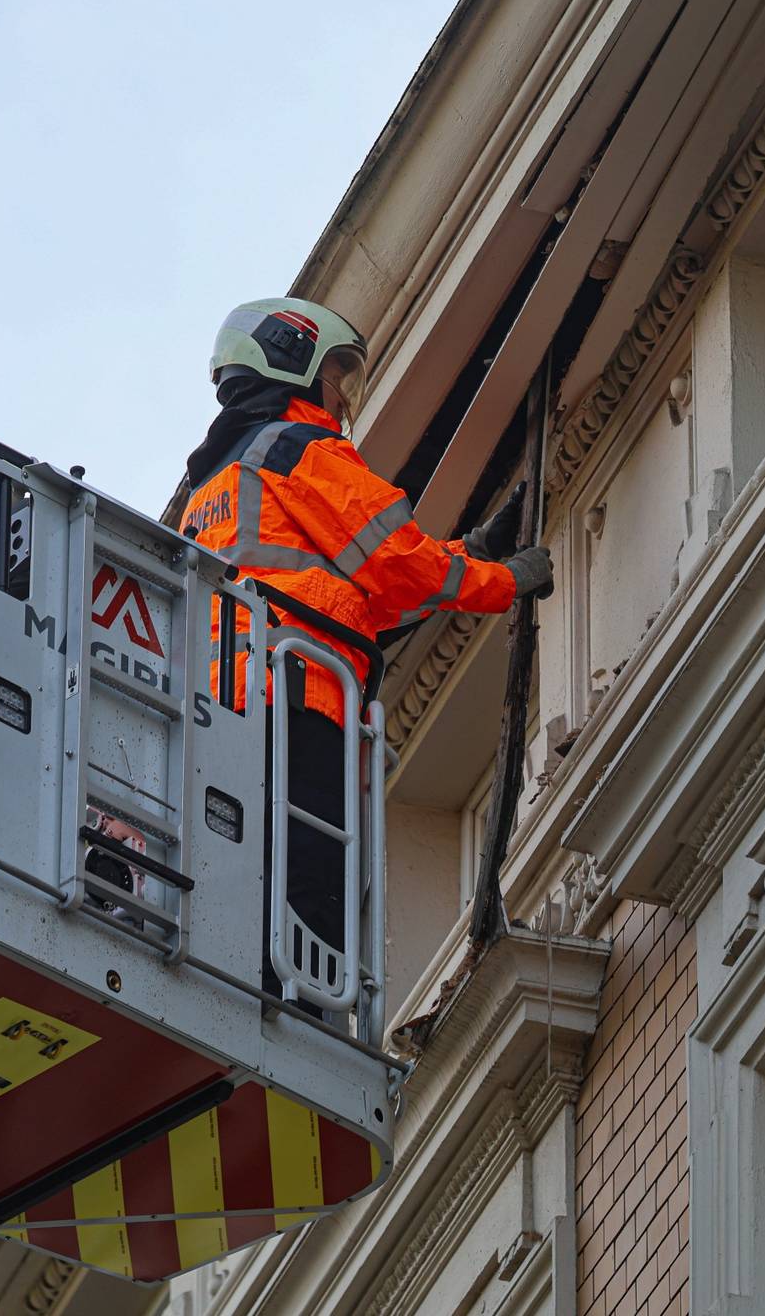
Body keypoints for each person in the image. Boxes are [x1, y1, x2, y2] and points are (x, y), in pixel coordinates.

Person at [179, 297, 553, 1005]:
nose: (341, 393)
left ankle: (256, 995)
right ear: (290, 361)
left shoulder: (215, 486)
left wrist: (468, 553)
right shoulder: (299, 449)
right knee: (313, 885)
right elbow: (394, 562)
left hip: (229, 707)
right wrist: (501, 581)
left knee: (248, 877)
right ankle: (300, 1015)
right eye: (335, 373)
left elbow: (355, 599)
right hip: (298, 695)